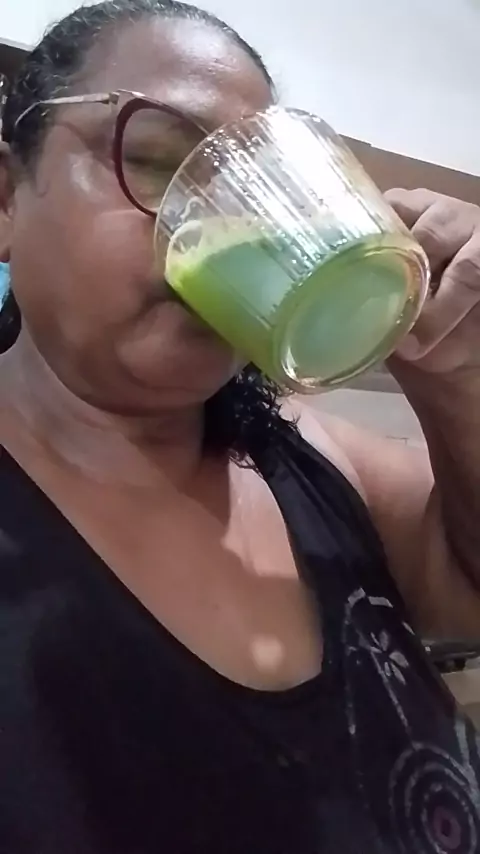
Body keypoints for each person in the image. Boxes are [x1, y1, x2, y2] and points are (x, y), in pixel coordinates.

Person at [0, 1, 479, 851]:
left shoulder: (305, 448)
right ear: (6, 200)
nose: (217, 222)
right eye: (156, 162)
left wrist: (457, 386)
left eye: (252, 186)